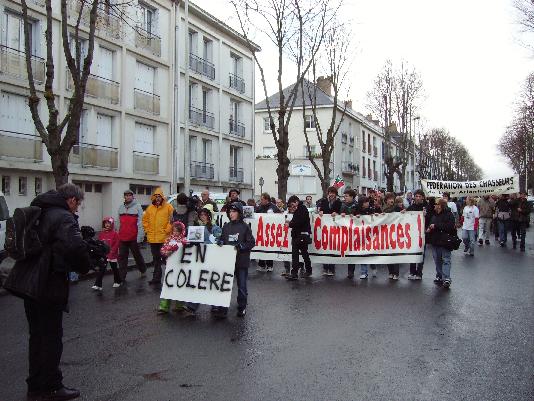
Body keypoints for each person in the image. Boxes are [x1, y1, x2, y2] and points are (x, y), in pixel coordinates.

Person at [4, 183, 91, 401]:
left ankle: (35, 385)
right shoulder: (63, 217)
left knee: (37, 337)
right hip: (47, 283)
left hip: (27, 281)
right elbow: (74, 247)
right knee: (52, 337)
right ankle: (51, 387)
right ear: (71, 200)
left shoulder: (40, 209)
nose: (77, 208)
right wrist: (86, 265)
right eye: (77, 204)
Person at [214, 203, 255, 318]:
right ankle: (223, 308)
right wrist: (220, 242)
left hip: (241, 261)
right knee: (225, 285)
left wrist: (242, 246)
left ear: (239, 213)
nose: (231, 214)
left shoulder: (245, 227)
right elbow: (222, 239)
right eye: (230, 212)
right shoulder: (226, 227)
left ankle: (242, 307)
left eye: (233, 211)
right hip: (228, 262)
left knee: (242, 286)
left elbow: (251, 242)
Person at [182, 207, 223, 316]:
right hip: (200, 258)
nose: (203, 217)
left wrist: (219, 241)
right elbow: (191, 241)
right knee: (199, 282)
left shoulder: (215, 228)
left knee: (212, 281)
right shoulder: (196, 228)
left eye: (204, 215)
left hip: (211, 258)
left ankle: (215, 305)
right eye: (201, 215)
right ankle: (192, 306)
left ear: (209, 216)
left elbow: (220, 239)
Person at [143, 188, 174, 286]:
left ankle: (171, 279)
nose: (157, 198)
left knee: (166, 259)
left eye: (159, 196)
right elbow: (145, 221)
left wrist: (167, 230)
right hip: (153, 239)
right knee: (156, 260)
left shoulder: (169, 207)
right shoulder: (149, 208)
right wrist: (147, 230)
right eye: (156, 196)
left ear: (162, 197)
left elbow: (172, 220)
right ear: (154, 197)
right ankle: (156, 278)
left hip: (164, 238)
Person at [157, 221, 188, 315]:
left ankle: (179, 305)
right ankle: (164, 306)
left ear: (181, 231)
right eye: (174, 231)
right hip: (170, 266)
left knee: (180, 284)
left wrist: (172, 249)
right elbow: (163, 250)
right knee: (168, 285)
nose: (175, 233)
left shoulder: (184, 240)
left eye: (177, 231)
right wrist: (166, 252)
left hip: (181, 266)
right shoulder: (168, 239)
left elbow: (185, 244)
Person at [117, 189, 147, 281]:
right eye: (126, 195)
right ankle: (122, 277)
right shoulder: (121, 207)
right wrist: (117, 234)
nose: (128, 197)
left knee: (137, 256)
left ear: (133, 196)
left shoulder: (138, 207)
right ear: (124, 197)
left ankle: (143, 270)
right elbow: (118, 222)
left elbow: (141, 223)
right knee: (122, 258)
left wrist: (140, 237)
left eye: (130, 195)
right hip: (122, 237)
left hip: (134, 237)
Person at [426, 198, 456, 289]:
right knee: (437, 260)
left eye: (436, 204)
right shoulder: (434, 215)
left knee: (446, 259)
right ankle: (440, 275)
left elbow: (450, 226)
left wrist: (436, 226)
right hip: (435, 241)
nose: (434, 206)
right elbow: (431, 224)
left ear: (440, 205)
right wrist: (429, 229)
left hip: (445, 241)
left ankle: (446, 278)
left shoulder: (449, 214)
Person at [285, 195, 312, 280]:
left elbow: (298, 222)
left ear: (296, 201)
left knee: (298, 255)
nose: (292, 206)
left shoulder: (302, 209)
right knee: (303, 254)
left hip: (300, 235)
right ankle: (305, 271)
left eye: (292, 204)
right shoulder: (300, 209)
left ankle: (295, 273)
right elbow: (297, 220)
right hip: (300, 235)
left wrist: (290, 224)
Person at [317, 186, 342, 276]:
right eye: (330, 192)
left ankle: (331, 268)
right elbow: (320, 210)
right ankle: (325, 267)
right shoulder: (324, 201)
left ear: (335, 194)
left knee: (332, 247)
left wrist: (337, 213)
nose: (331, 194)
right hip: (325, 228)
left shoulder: (338, 202)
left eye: (333, 193)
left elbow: (341, 211)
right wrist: (320, 212)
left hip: (334, 228)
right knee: (324, 247)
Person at [92, 217, 121, 291]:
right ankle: (98, 284)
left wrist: (112, 252)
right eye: (105, 223)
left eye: (109, 223)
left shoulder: (115, 234)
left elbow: (117, 244)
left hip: (112, 254)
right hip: (105, 255)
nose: (107, 225)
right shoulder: (101, 234)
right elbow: (99, 243)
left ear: (112, 224)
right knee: (102, 269)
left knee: (114, 268)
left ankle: (117, 281)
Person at [406, 189, 429, 280]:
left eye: (420, 196)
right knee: (413, 252)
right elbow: (404, 217)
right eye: (416, 196)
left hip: (422, 233)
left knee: (421, 253)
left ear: (423, 197)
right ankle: (412, 272)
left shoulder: (426, 207)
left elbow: (430, 217)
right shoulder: (411, 207)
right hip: (413, 233)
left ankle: (419, 272)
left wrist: (426, 215)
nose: (418, 198)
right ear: (414, 197)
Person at [255, 193, 281, 273]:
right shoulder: (259, 207)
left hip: (270, 231)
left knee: (269, 247)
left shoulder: (273, 207)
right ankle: (261, 264)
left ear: (267, 199)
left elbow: (279, 216)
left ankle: (270, 265)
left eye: (262, 199)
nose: (261, 201)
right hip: (261, 230)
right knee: (261, 247)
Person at [356, 196, 380, 279]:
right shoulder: (357, 210)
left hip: (370, 235)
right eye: (365, 202)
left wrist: (376, 215)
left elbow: (376, 217)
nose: (367, 203)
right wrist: (355, 216)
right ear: (361, 203)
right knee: (363, 253)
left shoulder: (371, 210)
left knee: (370, 253)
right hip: (361, 235)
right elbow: (352, 218)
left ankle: (373, 267)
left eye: (367, 202)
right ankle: (364, 272)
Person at [340, 188, 359, 279]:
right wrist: (341, 214)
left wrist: (356, 215)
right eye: (344, 196)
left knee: (353, 251)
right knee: (346, 250)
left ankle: (351, 271)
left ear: (352, 197)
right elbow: (339, 215)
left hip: (355, 232)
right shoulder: (343, 205)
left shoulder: (357, 205)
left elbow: (361, 215)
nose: (345, 198)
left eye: (346, 196)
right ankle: (349, 270)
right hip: (345, 232)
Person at [383, 193, 403, 280]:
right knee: (388, 254)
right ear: (386, 200)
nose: (391, 200)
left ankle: (396, 273)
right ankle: (390, 272)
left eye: (392, 198)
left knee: (395, 254)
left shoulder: (397, 208)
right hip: (386, 233)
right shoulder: (383, 209)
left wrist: (403, 212)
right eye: (389, 199)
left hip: (395, 233)